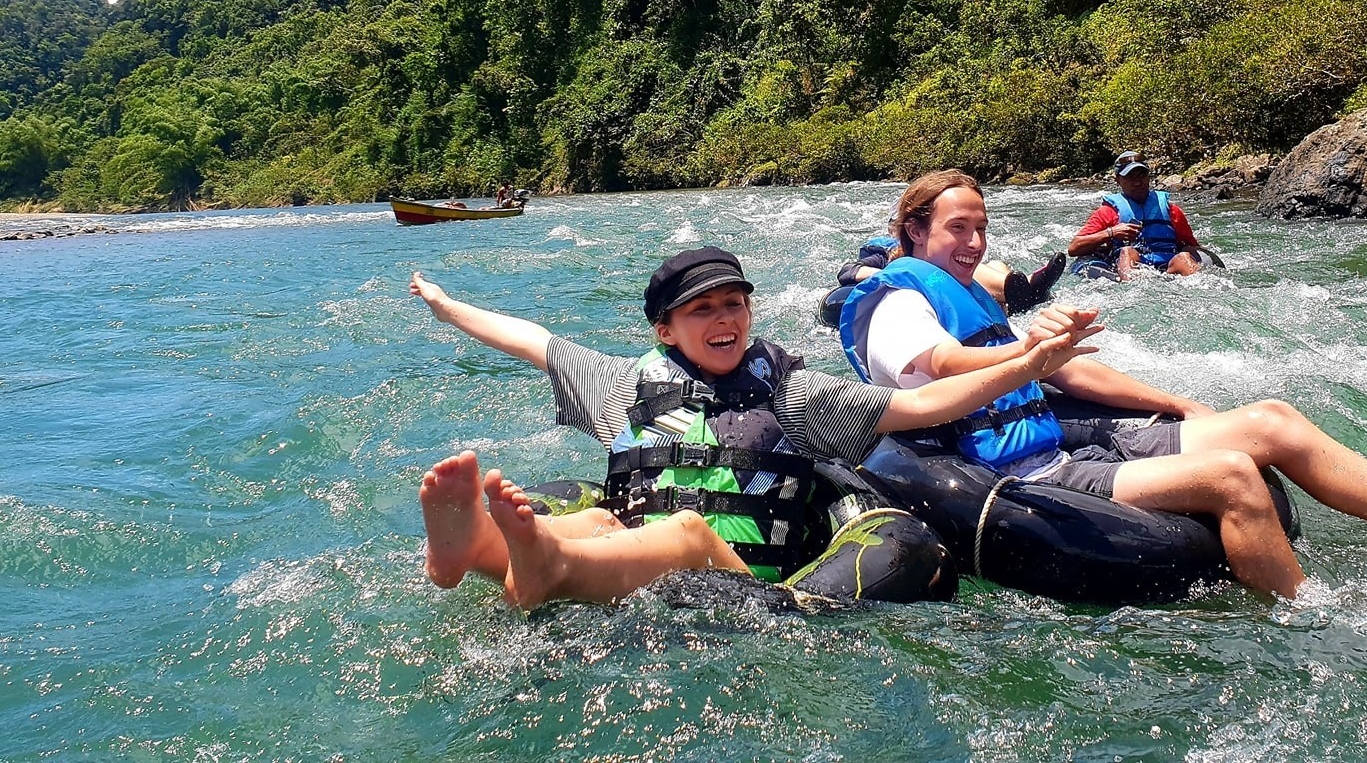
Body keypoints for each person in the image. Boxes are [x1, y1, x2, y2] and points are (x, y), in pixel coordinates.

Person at [838, 170, 1367, 599]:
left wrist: (1169, 398)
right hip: (1013, 475)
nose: (974, 243)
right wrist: (1025, 359)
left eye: (981, 228)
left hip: (1058, 447)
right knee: (1232, 476)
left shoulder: (978, 296)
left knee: (1272, 421)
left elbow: (1067, 371)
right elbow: (935, 367)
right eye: (956, 229)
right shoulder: (898, 300)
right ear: (912, 232)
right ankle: (1313, 620)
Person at [411, 247, 1095, 610]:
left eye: (734, 304)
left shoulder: (793, 394)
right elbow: (532, 339)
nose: (724, 320)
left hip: (737, 587)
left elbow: (924, 406)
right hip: (640, 576)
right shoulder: (621, 386)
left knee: (683, 533)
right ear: (664, 330)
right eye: (702, 309)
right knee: (598, 524)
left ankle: (535, 564)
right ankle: (478, 551)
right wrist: (448, 309)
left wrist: (1027, 362)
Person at [818, 233, 1066, 327]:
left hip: (959, 294)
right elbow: (848, 273)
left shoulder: (939, 251)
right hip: (924, 288)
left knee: (996, 265)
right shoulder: (882, 255)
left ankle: (1022, 290)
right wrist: (909, 273)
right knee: (953, 270)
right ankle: (1022, 293)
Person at [1067, 152, 1204, 279]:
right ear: (1118, 180)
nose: (1137, 182)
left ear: (1149, 177)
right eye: (1130, 177)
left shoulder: (1171, 210)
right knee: (1127, 252)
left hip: (1169, 266)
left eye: (1142, 175)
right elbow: (1074, 248)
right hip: (1133, 266)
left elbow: (1191, 245)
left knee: (1185, 257)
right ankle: (1133, 290)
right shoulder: (1108, 212)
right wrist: (1111, 233)